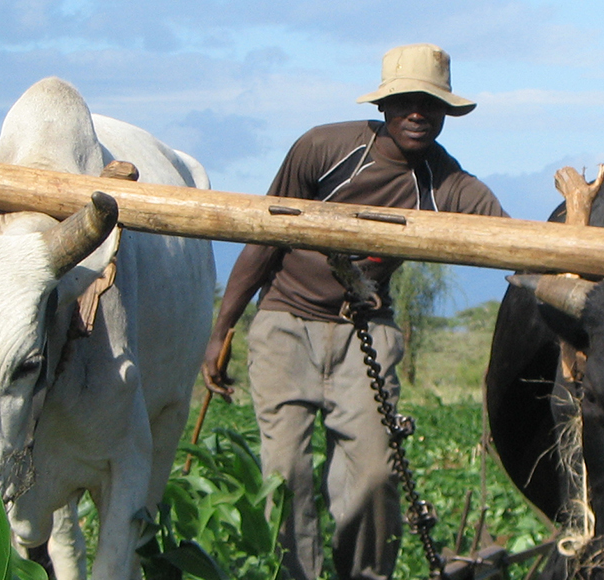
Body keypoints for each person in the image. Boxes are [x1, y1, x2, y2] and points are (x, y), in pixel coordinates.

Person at [200, 43, 507, 580]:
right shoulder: (325, 149)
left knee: (372, 476)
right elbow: (262, 240)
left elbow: (513, 240)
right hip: (285, 325)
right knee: (285, 472)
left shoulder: (445, 183)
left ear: (444, 114)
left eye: (431, 104)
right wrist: (220, 330)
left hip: (363, 334)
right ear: (385, 106)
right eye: (407, 101)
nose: (418, 113)